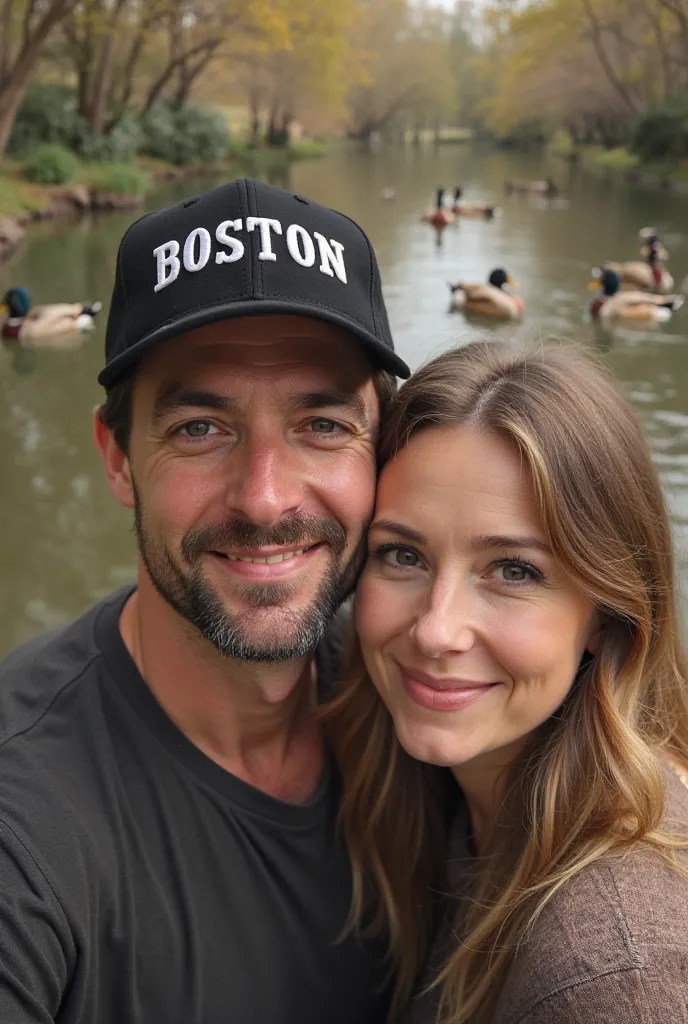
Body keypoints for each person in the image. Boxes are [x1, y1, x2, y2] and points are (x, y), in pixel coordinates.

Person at [0, 177, 411, 1024]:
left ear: (383, 450)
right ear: (117, 459)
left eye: (323, 426)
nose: (264, 500)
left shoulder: (426, 689)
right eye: (200, 428)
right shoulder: (26, 822)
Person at [327, 341, 688, 1023]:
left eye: (514, 571)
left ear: (606, 619)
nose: (438, 630)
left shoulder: (613, 980)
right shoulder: (452, 791)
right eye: (402, 555)